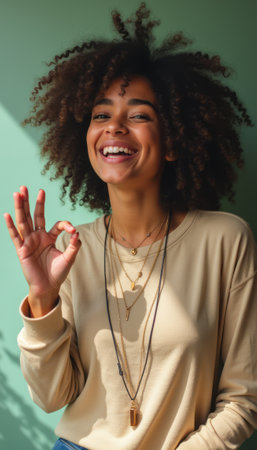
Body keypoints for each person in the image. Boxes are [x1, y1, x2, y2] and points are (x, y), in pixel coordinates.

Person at [4, 3, 257, 449]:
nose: (114, 127)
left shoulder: (226, 240)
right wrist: (43, 297)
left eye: (138, 115)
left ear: (175, 141)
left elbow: (244, 398)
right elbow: (50, 399)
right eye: (101, 115)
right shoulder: (69, 251)